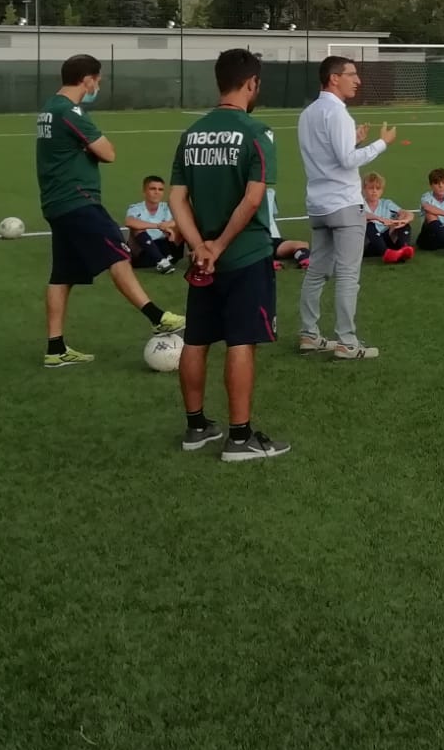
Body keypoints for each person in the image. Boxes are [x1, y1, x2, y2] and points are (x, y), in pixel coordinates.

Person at [167, 48, 291, 460]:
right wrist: (219, 246)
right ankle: (239, 438)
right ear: (252, 83)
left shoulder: (192, 134)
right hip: (243, 256)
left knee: (197, 340)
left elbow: (177, 198)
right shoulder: (256, 132)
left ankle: (196, 426)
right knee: (241, 340)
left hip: (203, 261)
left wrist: (200, 245)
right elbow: (254, 199)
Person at [34, 53, 185, 368]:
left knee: (62, 275)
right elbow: (108, 152)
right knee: (118, 253)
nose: (98, 85)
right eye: (97, 80)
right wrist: (90, 148)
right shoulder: (70, 112)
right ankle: (158, 317)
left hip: (55, 202)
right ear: (86, 79)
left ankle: (55, 348)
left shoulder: (48, 109)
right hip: (78, 200)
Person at [296, 56, 393, 360]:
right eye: (352, 74)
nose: (358, 80)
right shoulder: (338, 113)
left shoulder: (308, 113)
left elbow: (327, 153)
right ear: (334, 78)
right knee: (348, 275)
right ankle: (347, 342)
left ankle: (309, 334)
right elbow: (347, 161)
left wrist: (353, 139)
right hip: (344, 205)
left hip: (318, 204)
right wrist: (381, 143)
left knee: (316, 272)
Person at [125, 175, 181, 273]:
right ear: (144, 191)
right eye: (152, 189)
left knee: (182, 226)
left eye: (160, 189)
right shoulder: (136, 208)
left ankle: (197, 259)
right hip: (143, 253)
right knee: (136, 228)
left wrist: (170, 225)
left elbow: (182, 219)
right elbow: (129, 222)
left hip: (166, 251)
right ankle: (161, 261)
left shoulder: (167, 208)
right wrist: (159, 226)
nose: (157, 192)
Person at [358, 171, 414, 264]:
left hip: (386, 238)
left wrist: (404, 220)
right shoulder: (359, 204)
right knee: (370, 224)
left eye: (378, 188)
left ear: (382, 191)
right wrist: (379, 219)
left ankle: (404, 249)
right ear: (364, 189)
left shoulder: (386, 203)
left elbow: (407, 213)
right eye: (371, 188)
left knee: (403, 224)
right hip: (368, 243)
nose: (374, 191)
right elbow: (362, 215)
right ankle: (386, 253)